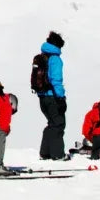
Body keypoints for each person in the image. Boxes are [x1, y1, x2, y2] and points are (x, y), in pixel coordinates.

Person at [35, 31, 68, 160]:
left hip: (42, 97)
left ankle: (46, 152)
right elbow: (56, 80)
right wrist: (61, 97)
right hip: (52, 96)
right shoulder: (55, 59)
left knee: (51, 123)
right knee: (58, 124)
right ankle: (57, 154)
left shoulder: (42, 56)